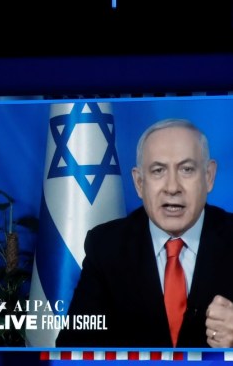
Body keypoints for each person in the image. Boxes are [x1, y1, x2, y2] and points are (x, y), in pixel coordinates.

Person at [56, 117, 233, 349]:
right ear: (139, 182)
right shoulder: (106, 246)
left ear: (209, 176)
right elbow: (73, 350)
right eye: (158, 171)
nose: (172, 187)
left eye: (187, 170)